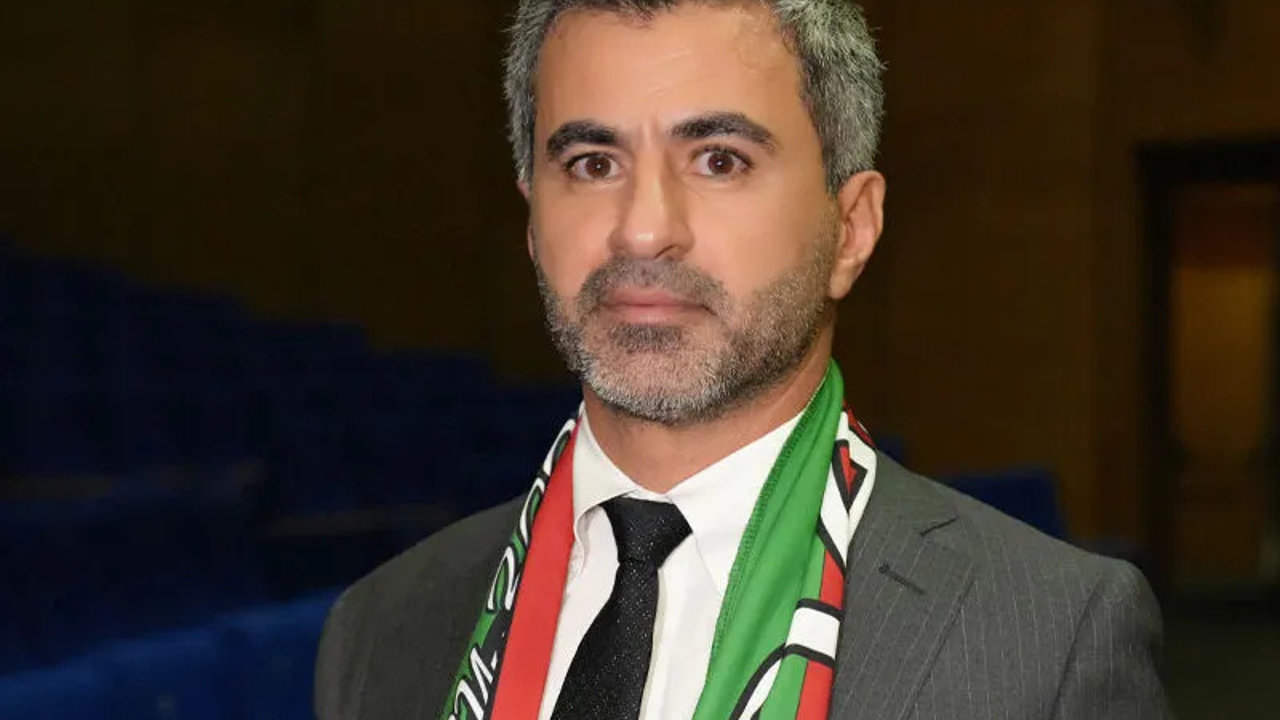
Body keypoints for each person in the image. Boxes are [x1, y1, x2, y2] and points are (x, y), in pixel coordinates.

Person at [314, 1, 1173, 718]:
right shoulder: (381, 631)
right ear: (534, 223)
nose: (643, 229)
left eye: (719, 160)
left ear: (852, 229)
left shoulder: (1049, 643)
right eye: (592, 162)